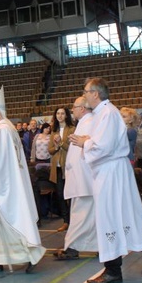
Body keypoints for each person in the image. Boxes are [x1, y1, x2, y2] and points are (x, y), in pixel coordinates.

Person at [69, 78, 142, 283]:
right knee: (124, 214)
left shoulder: (107, 113)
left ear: (95, 93)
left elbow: (104, 146)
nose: (84, 95)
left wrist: (84, 142)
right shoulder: (102, 113)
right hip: (111, 169)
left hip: (110, 171)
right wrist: (87, 141)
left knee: (109, 216)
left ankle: (113, 270)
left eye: (86, 91)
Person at [0, 86, 45, 273]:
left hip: (3, 186)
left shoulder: (3, 130)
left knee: (7, 221)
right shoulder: (6, 128)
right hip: (6, 183)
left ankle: (28, 256)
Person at [55, 97, 97, 261]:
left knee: (81, 215)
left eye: (75, 106)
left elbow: (91, 147)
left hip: (84, 179)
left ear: (83, 108)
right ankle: (97, 247)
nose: (72, 109)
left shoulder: (90, 122)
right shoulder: (84, 122)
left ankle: (71, 247)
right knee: (87, 215)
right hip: (80, 179)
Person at [48, 106, 75, 231]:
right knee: (60, 195)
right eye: (57, 113)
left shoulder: (72, 129)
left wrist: (60, 143)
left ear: (66, 115)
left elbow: (72, 148)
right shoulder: (54, 131)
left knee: (70, 195)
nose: (60, 116)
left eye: (62, 113)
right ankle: (66, 221)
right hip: (57, 168)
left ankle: (73, 220)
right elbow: (50, 150)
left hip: (69, 168)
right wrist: (56, 146)